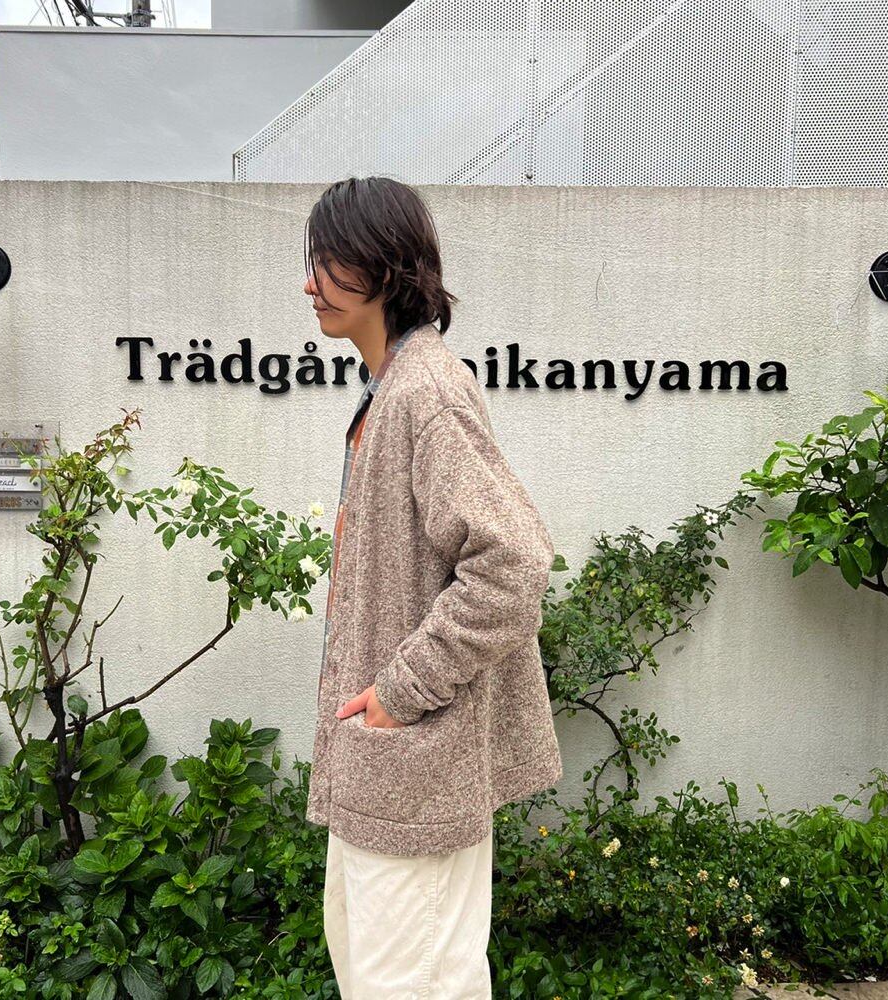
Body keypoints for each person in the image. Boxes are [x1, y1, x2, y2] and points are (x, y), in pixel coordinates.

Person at [302, 176, 562, 999]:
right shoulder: (391, 390)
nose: (309, 284)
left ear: (383, 266)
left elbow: (513, 564)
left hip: (416, 769)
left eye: (326, 261)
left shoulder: (425, 393)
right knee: (379, 971)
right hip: (388, 772)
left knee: (407, 985)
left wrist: (400, 690)